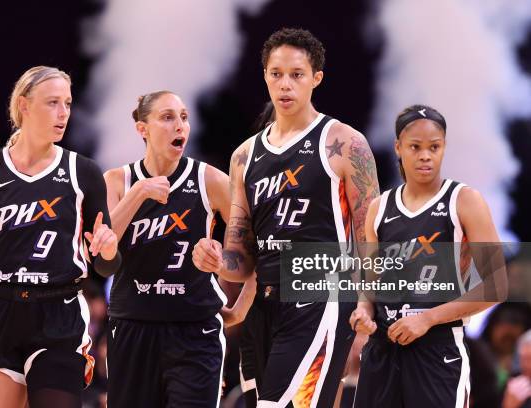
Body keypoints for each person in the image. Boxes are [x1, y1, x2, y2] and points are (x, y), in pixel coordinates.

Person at [193, 28, 380, 407]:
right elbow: (240, 259)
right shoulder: (244, 156)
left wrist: (366, 304)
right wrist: (214, 259)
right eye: (276, 74)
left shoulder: (343, 143)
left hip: (321, 294)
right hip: (264, 302)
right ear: (265, 76)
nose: (285, 84)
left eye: (296, 74)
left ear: (316, 78)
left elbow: (372, 235)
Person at [0, 66, 120, 408]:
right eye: (52, 103)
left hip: (59, 312)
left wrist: (107, 251)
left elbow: (106, 266)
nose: (63, 112)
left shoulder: (83, 172)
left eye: (67, 102)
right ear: (24, 106)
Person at [102, 90, 253, 407]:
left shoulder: (209, 180)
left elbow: (259, 249)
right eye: (167, 117)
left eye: (183, 117)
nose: (179, 126)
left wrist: (234, 297)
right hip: (132, 328)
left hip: (194, 332)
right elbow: (101, 252)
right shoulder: (118, 181)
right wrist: (140, 192)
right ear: (142, 129)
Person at [350, 104, 505, 407]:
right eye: (416, 147)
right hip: (383, 348)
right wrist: (363, 312)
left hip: (438, 349)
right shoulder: (379, 209)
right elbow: (371, 284)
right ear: (398, 147)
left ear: (444, 147)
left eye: (434, 147)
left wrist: (427, 319)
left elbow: (497, 284)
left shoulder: (464, 201)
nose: (425, 155)